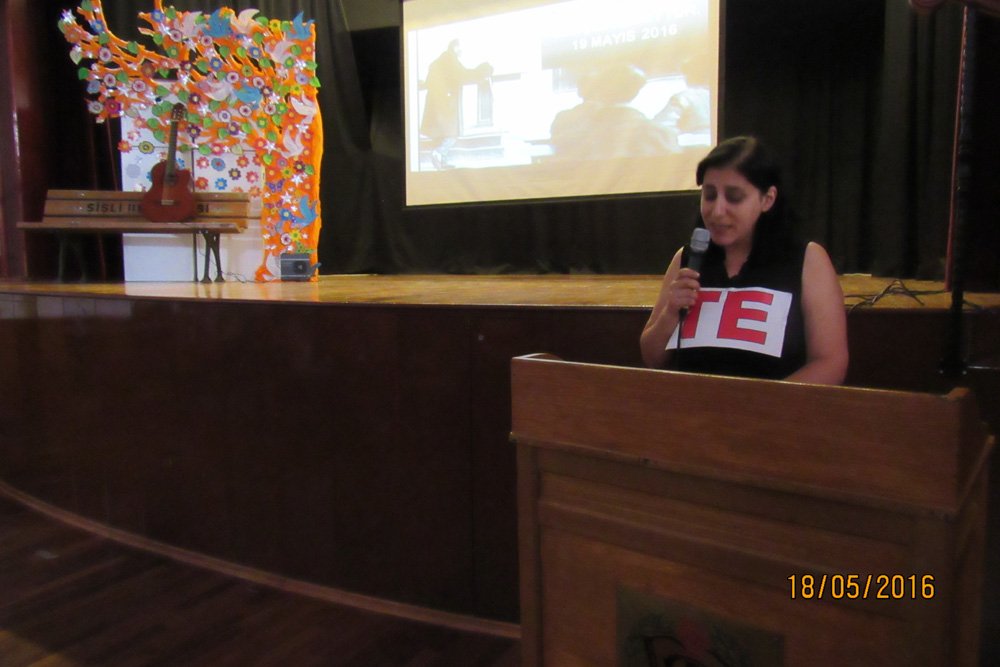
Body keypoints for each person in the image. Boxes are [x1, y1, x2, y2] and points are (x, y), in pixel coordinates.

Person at [640, 136, 848, 384]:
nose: (717, 211)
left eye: (734, 197)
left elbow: (830, 362)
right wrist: (670, 314)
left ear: (767, 199)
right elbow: (652, 359)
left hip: (773, 407)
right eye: (710, 195)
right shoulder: (686, 259)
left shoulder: (806, 259)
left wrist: (759, 403)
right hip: (691, 405)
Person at [419, 39, 492, 170]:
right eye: (459, 47)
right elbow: (462, 75)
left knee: (443, 134)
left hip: (439, 103)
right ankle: (438, 153)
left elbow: (458, 75)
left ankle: (442, 162)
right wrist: (480, 73)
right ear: (454, 47)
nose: (461, 51)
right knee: (451, 133)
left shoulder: (444, 59)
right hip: (444, 104)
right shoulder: (449, 60)